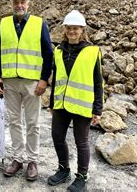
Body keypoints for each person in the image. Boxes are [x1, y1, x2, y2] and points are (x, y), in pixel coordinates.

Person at [0, 0, 53, 181]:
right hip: (10, 82)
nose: (19, 5)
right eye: (16, 2)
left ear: (28, 3)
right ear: (11, 4)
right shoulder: (4, 24)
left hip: (32, 83)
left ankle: (32, 160)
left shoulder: (39, 23)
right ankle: (17, 159)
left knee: (33, 123)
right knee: (14, 121)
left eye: (22, 2)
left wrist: (44, 79)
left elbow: (48, 54)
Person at [47, 10, 103, 192]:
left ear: (82, 30)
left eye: (76, 28)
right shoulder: (58, 50)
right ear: (65, 30)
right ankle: (64, 169)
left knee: (82, 142)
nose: (72, 31)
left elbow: (98, 82)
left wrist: (98, 109)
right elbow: (56, 79)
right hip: (61, 104)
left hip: (82, 104)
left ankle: (82, 177)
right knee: (57, 136)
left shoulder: (92, 51)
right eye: (69, 28)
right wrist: (52, 103)